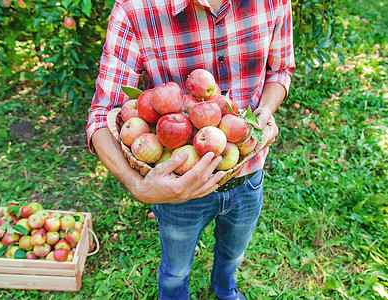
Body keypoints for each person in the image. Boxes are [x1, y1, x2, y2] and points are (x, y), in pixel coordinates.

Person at [86, 0, 295, 298]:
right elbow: (101, 115)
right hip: (179, 186)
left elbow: (281, 69)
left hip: (248, 169)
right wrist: (136, 185)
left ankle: (225, 290)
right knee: (176, 270)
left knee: (232, 255)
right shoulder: (136, 9)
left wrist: (263, 112)